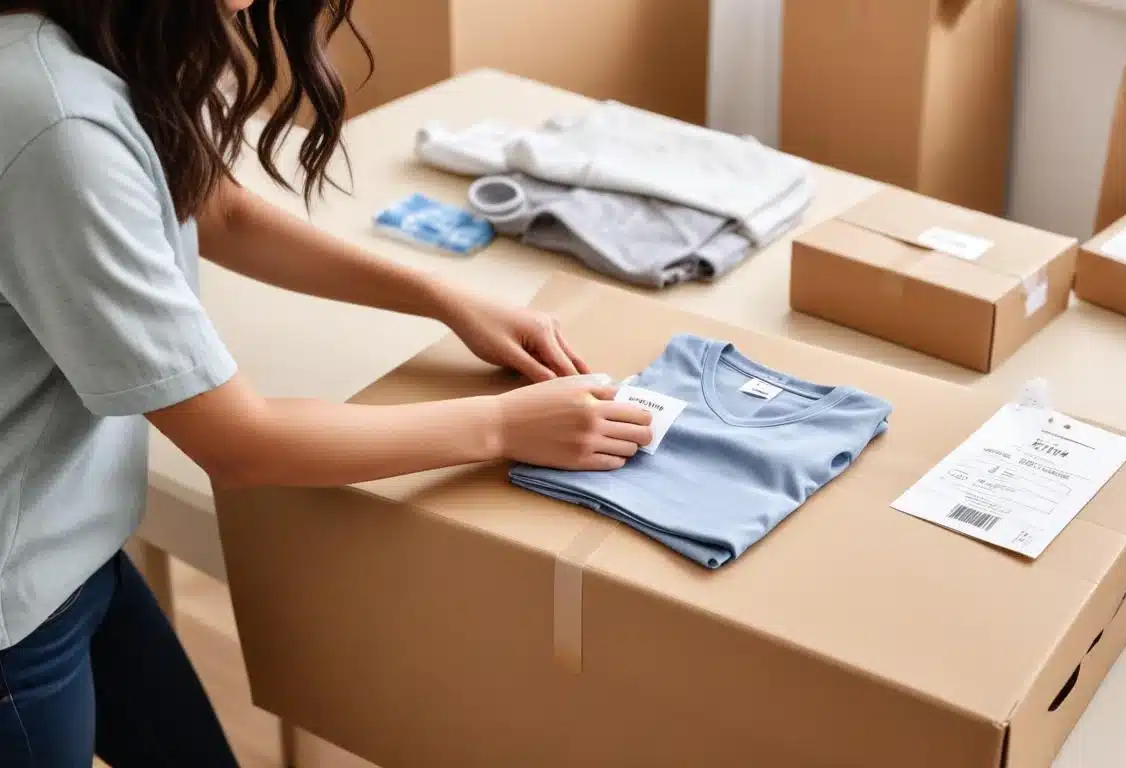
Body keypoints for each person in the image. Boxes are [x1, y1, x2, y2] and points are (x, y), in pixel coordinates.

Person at [0, 1, 654, 765]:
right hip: (20, 609)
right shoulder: (55, 123)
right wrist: (503, 426)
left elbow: (212, 207)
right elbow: (241, 444)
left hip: (70, 551)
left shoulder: (108, 37)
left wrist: (444, 298)